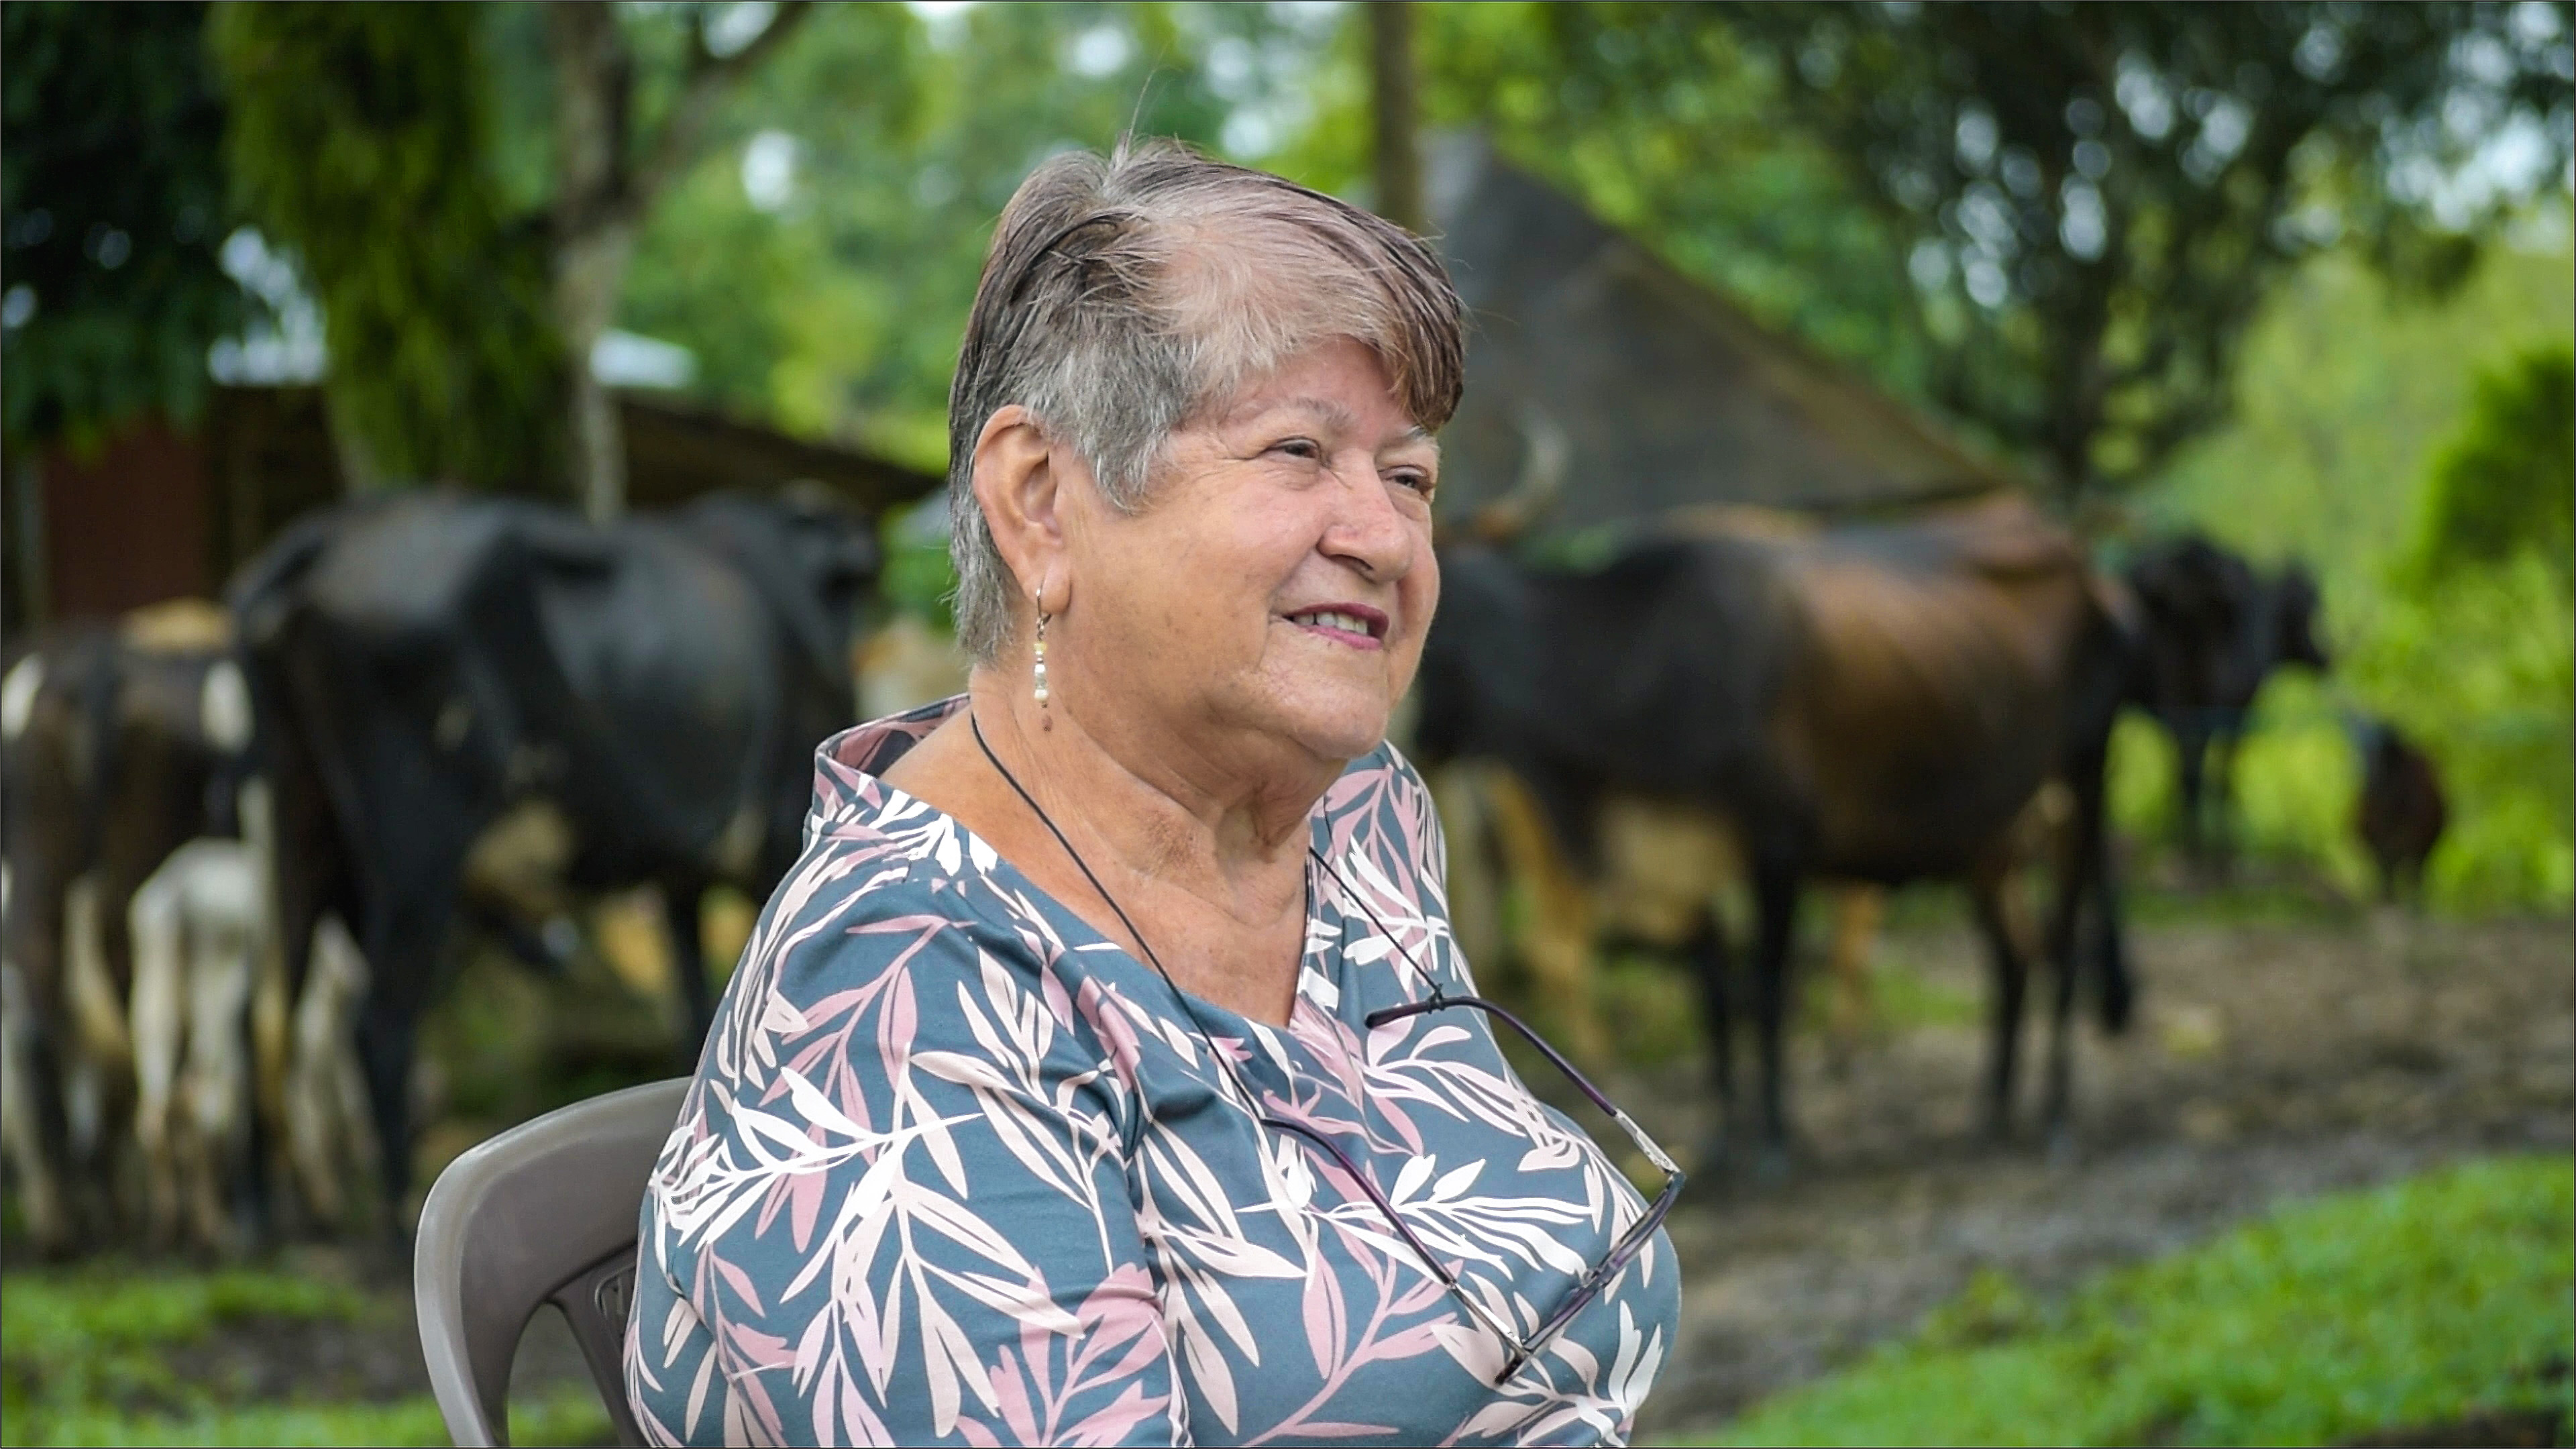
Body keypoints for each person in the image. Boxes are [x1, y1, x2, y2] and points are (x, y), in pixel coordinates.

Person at [625, 140, 1682, 1448]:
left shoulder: (1359, 827)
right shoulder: (900, 1005)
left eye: (1409, 476)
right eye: (1299, 451)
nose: (1384, 539)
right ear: (1042, 505)